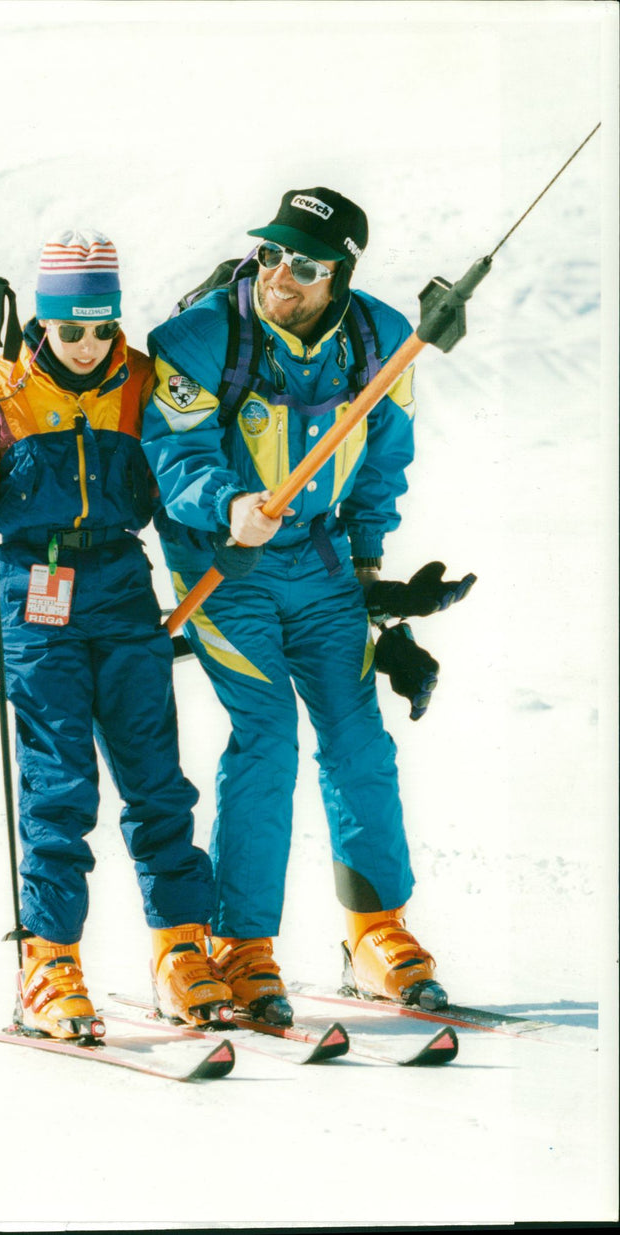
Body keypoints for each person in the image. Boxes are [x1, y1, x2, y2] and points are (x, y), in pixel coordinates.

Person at [142, 187, 474, 1025]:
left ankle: (374, 930)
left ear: (341, 273)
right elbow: (172, 456)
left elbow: (384, 458)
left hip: (320, 560)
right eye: (271, 254)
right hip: (224, 561)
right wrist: (229, 504)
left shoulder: (382, 340)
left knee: (357, 734)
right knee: (266, 736)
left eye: (305, 263)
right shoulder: (198, 339)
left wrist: (368, 563)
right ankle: (242, 945)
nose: (281, 274)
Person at [0, 228, 235, 1038]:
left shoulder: (140, 380)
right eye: (73, 329)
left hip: (123, 587)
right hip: (36, 595)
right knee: (60, 787)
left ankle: (179, 947)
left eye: (103, 327)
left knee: (156, 778)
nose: (91, 345)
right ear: (44, 322)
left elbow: (179, 474)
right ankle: (50, 962)